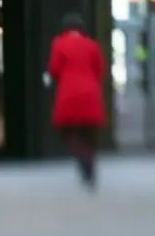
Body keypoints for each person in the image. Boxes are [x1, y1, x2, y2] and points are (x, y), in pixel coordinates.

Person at [48, 12, 106, 189]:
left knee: (69, 132)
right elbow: (100, 70)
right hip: (90, 93)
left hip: (69, 94)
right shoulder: (92, 45)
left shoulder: (59, 43)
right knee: (89, 134)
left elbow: (54, 68)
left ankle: (83, 164)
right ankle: (90, 165)